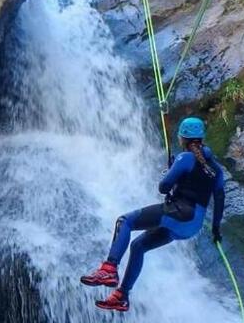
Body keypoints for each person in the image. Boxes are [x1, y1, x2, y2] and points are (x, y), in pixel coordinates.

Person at [81, 117, 225, 312]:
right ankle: (121, 295)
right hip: (190, 226)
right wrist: (216, 231)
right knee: (138, 246)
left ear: (182, 138)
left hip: (178, 213)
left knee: (125, 221)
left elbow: (163, 187)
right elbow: (219, 199)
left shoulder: (185, 158)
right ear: (201, 138)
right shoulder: (216, 168)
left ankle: (109, 269)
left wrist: (172, 173)